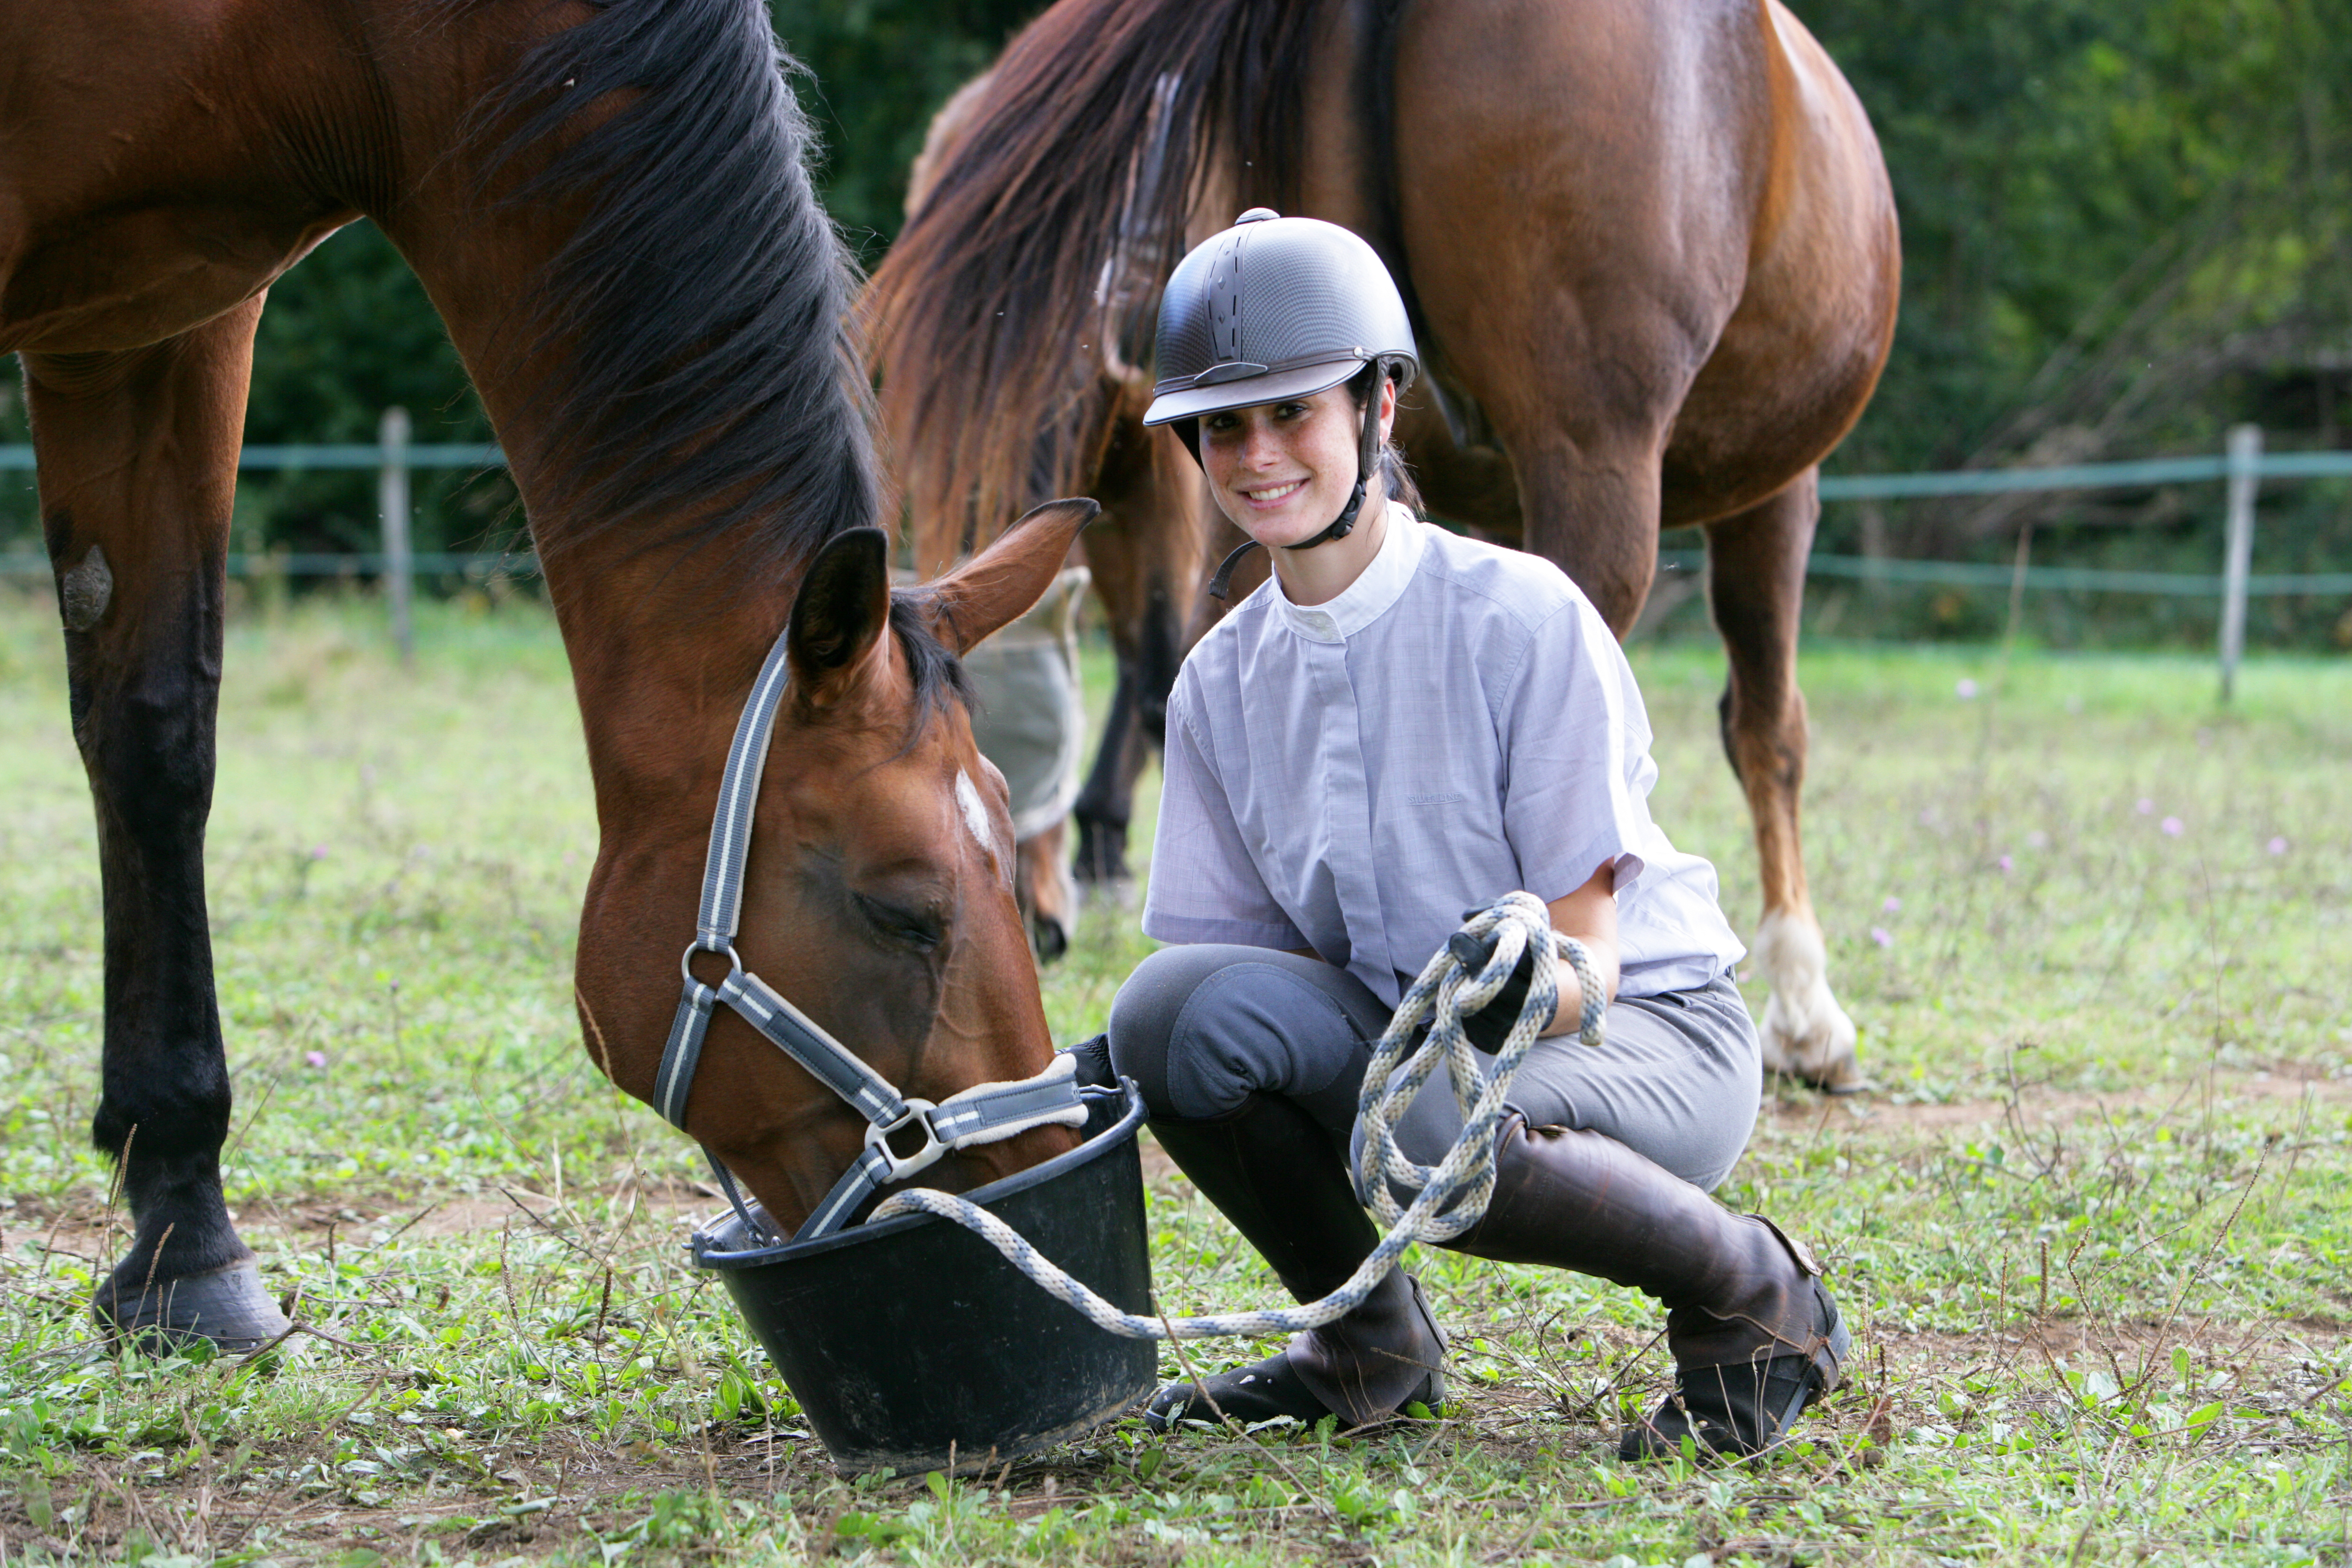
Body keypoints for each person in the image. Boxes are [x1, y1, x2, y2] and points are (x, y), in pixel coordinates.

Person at [1099, 210, 1848, 1460]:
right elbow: (1241, 991)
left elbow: (1589, 964)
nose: (1256, 455)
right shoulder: (1217, 687)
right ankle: (1368, 1349)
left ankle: (1758, 1306)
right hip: (1420, 1051)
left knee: (1423, 1116)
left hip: (1644, 1035)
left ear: (1379, 408)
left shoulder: (1521, 617)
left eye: (1294, 413)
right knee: (1162, 1020)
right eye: (1223, 425)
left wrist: (1493, 995)